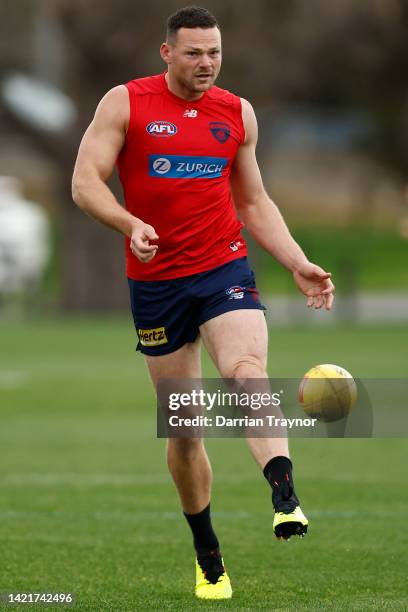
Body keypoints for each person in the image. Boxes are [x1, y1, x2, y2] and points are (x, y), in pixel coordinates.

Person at [72, 5, 335, 601]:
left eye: (214, 52)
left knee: (247, 371)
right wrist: (127, 223)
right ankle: (207, 553)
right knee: (186, 427)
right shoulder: (126, 103)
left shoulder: (237, 113)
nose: (206, 63)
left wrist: (297, 261)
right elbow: (85, 182)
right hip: (156, 282)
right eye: (194, 53)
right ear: (167, 53)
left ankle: (284, 493)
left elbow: (256, 201)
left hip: (223, 269)